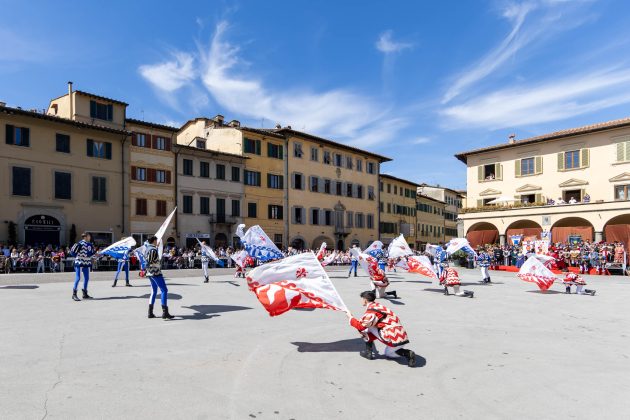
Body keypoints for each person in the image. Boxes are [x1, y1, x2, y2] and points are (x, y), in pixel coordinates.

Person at [348, 291, 416, 367]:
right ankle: (407, 353)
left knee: (364, 329)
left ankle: (368, 352)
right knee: (389, 353)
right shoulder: (379, 306)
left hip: (391, 337)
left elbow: (361, 326)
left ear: (365, 300)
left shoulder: (371, 310)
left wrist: (350, 318)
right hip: (401, 336)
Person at [144, 236, 174, 319]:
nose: (157, 242)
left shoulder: (147, 248)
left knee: (154, 291)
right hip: (155, 272)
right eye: (156, 240)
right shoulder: (153, 250)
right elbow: (151, 261)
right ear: (154, 241)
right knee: (164, 290)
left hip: (149, 273)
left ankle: (150, 312)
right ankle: (165, 312)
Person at [70, 233, 95, 301]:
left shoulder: (90, 244)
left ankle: (85, 293)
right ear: (85, 237)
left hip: (86, 262)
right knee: (78, 278)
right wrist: (78, 257)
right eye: (89, 236)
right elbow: (72, 252)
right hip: (79, 262)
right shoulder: (79, 244)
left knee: (87, 278)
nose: (90, 237)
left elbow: (91, 254)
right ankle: (74, 294)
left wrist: (95, 256)